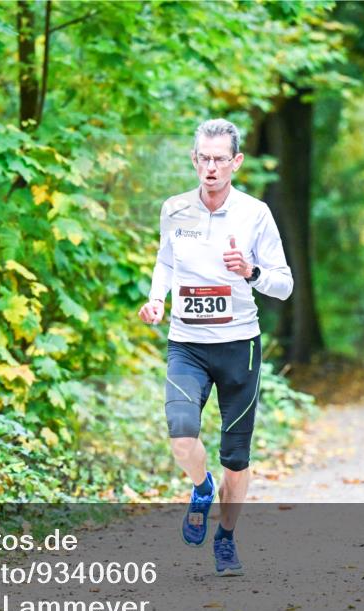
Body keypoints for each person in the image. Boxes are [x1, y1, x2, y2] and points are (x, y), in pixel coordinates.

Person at [137, 119, 293, 576]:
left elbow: (284, 286)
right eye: (203, 158)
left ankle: (225, 538)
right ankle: (201, 488)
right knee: (182, 435)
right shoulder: (175, 209)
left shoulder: (255, 214)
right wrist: (155, 299)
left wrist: (250, 270)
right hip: (187, 343)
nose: (210, 167)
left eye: (219, 159)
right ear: (194, 159)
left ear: (236, 163)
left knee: (236, 458)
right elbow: (165, 262)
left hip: (239, 346)